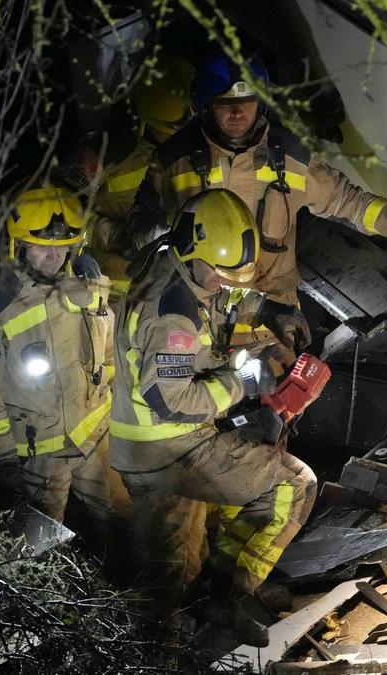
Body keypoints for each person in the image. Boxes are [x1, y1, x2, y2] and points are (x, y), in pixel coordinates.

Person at [109, 188, 317, 646]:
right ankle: (178, 634)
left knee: (183, 560)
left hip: (162, 440)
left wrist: (267, 307)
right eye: (219, 274)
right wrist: (242, 383)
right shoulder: (170, 317)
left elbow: (222, 297)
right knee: (294, 486)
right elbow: (173, 401)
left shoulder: (178, 261)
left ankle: (211, 603)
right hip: (164, 449)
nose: (225, 283)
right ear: (192, 248)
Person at [128, 52, 387, 351]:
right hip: (200, 324)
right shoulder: (173, 161)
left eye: (246, 102)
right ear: (206, 106)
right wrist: (160, 235)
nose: (237, 113)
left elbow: (344, 200)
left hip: (275, 327)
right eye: (226, 104)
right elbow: (139, 226)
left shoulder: (289, 157)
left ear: (261, 103)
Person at [0, 186, 129, 561]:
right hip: (36, 456)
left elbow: (108, 352)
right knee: (34, 558)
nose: (53, 256)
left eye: (63, 246)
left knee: (125, 528)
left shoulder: (88, 284)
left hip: (96, 438)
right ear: (17, 244)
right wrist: (3, 463)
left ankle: (127, 607)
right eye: (42, 246)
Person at [58, 55, 195, 291]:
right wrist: (116, 236)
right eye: (166, 133)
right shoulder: (111, 149)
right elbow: (62, 209)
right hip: (114, 284)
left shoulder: (194, 150)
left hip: (173, 285)